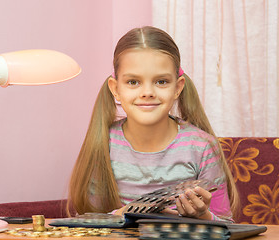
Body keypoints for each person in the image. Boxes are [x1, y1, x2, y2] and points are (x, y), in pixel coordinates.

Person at [68, 26, 239, 221]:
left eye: (161, 81)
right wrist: (124, 214)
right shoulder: (102, 144)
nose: (147, 92)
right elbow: (88, 223)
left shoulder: (202, 147)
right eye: (133, 82)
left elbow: (227, 224)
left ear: (178, 87)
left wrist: (205, 216)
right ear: (115, 89)